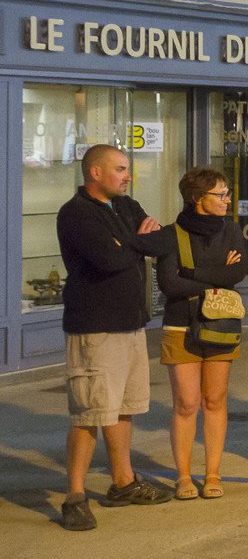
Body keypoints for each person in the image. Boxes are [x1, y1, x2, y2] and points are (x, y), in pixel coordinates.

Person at [56, 145, 177, 530]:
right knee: (89, 412)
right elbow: (109, 260)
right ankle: (74, 497)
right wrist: (136, 242)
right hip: (95, 329)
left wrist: (129, 243)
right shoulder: (76, 213)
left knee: (124, 408)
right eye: (121, 169)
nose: (128, 176)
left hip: (131, 324)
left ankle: (123, 483)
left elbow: (164, 241)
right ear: (95, 172)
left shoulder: (125, 206)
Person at [154, 167, 248, 501]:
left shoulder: (232, 230)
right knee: (186, 403)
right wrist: (217, 275)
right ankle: (183, 476)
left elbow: (238, 273)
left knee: (215, 399)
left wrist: (192, 272)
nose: (227, 200)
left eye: (227, 193)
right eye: (220, 194)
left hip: (221, 324)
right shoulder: (171, 234)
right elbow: (169, 283)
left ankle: (212, 472)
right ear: (197, 198)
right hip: (180, 324)